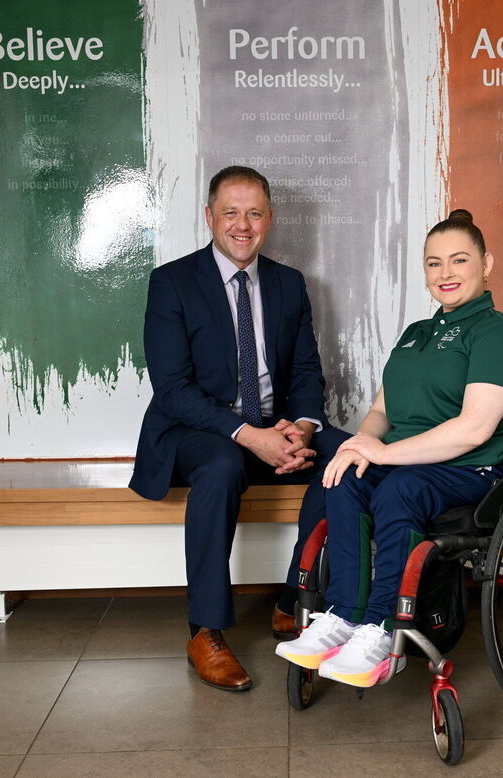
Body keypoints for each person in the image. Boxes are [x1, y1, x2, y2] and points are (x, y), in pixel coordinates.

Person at [275, 209, 503, 687]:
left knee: (400, 488)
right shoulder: (416, 334)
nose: (446, 273)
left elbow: (474, 430)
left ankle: (381, 626)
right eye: (434, 263)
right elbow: (380, 412)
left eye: (459, 260)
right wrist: (360, 446)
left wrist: (384, 455)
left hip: (477, 468)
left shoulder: (497, 333)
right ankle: (343, 616)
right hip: (411, 463)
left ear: (486, 264)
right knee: (343, 478)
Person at [130, 166, 349, 692]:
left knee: (347, 455)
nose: (242, 225)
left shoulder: (289, 284)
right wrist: (250, 436)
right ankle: (205, 630)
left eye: (253, 214)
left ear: (269, 219)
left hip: (276, 423)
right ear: (210, 217)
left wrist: (301, 427)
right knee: (222, 465)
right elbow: (172, 389)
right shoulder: (172, 282)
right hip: (195, 429)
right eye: (231, 213)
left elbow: (305, 371)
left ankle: (296, 598)